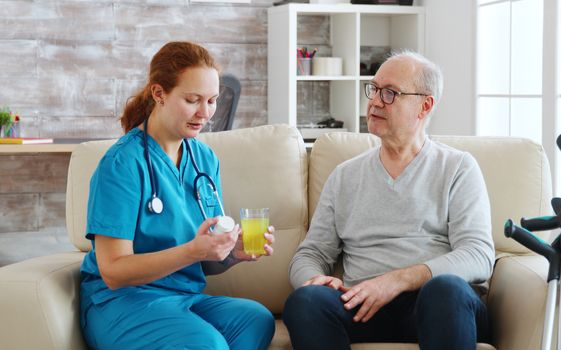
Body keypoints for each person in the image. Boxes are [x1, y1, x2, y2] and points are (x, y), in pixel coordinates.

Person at [282, 50, 495, 349]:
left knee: (445, 290)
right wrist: (315, 278)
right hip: (364, 306)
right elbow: (309, 254)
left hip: (436, 305)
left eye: (391, 93)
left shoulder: (458, 167)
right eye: (374, 89)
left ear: (425, 105)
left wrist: (397, 281)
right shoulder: (345, 176)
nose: (375, 101)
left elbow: (478, 255)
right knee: (305, 300)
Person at [79, 41, 275, 350]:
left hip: (183, 297)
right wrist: (194, 251)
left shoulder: (204, 159)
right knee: (207, 343)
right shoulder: (122, 164)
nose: (205, 113)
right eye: (193, 100)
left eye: (212, 101)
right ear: (159, 94)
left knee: (255, 318)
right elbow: (114, 271)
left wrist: (231, 253)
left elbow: (204, 258)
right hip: (122, 302)